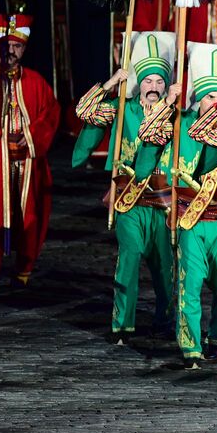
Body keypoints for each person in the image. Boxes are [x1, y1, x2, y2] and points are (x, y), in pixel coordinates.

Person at [138, 43, 217, 366]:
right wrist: (169, 101)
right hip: (189, 218)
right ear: (199, 98)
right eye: (209, 97)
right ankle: (191, 345)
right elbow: (147, 132)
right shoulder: (180, 123)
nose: (215, 103)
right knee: (189, 285)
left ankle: (216, 338)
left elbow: (208, 135)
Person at [73, 31, 177, 341]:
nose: (154, 88)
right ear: (139, 84)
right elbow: (85, 112)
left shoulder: (175, 113)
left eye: (159, 82)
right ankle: (123, 324)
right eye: (148, 81)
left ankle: (165, 321)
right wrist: (111, 82)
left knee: (164, 268)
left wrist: (173, 103)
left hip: (161, 201)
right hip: (129, 199)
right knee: (128, 261)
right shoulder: (124, 108)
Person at [0, 14, 59, 292]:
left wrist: (30, 138)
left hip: (26, 162)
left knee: (28, 217)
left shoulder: (37, 82)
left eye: (17, 47)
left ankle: (24, 267)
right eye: (6, 46)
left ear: (24, 49)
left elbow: (51, 115)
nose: (11, 52)